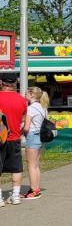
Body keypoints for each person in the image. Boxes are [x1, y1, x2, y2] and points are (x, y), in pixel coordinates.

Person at [0, 73, 29, 205]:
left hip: (0, 139)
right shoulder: (22, 100)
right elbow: (23, 120)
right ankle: (16, 196)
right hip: (15, 138)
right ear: (15, 83)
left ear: (1, 83)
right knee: (16, 168)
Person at [20, 86, 48, 200]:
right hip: (40, 136)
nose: (24, 95)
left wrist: (20, 132)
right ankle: (36, 188)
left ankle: (33, 191)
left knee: (31, 165)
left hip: (32, 136)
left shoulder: (31, 108)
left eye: (26, 93)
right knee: (36, 165)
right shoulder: (43, 107)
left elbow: (26, 127)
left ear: (31, 94)